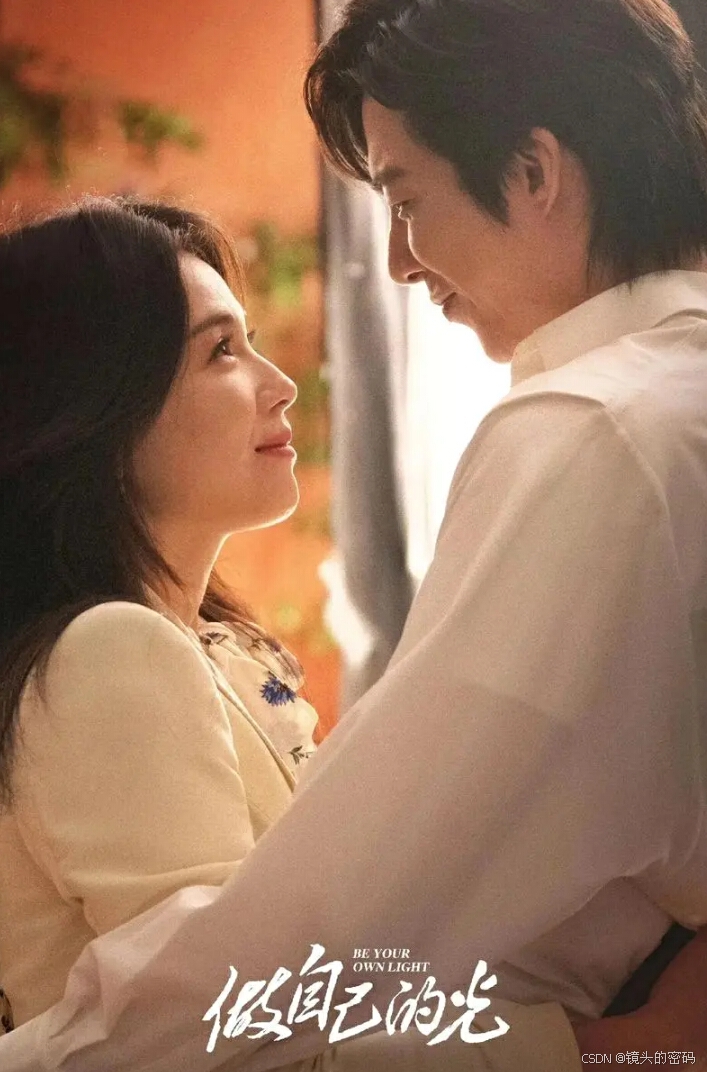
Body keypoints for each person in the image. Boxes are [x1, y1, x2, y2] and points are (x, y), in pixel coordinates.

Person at [2, 0, 707, 1066]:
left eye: (406, 199)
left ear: (532, 171)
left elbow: (294, 968)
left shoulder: (591, 433)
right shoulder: (113, 653)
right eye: (220, 350)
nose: (397, 263)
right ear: (93, 411)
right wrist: (627, 1047)